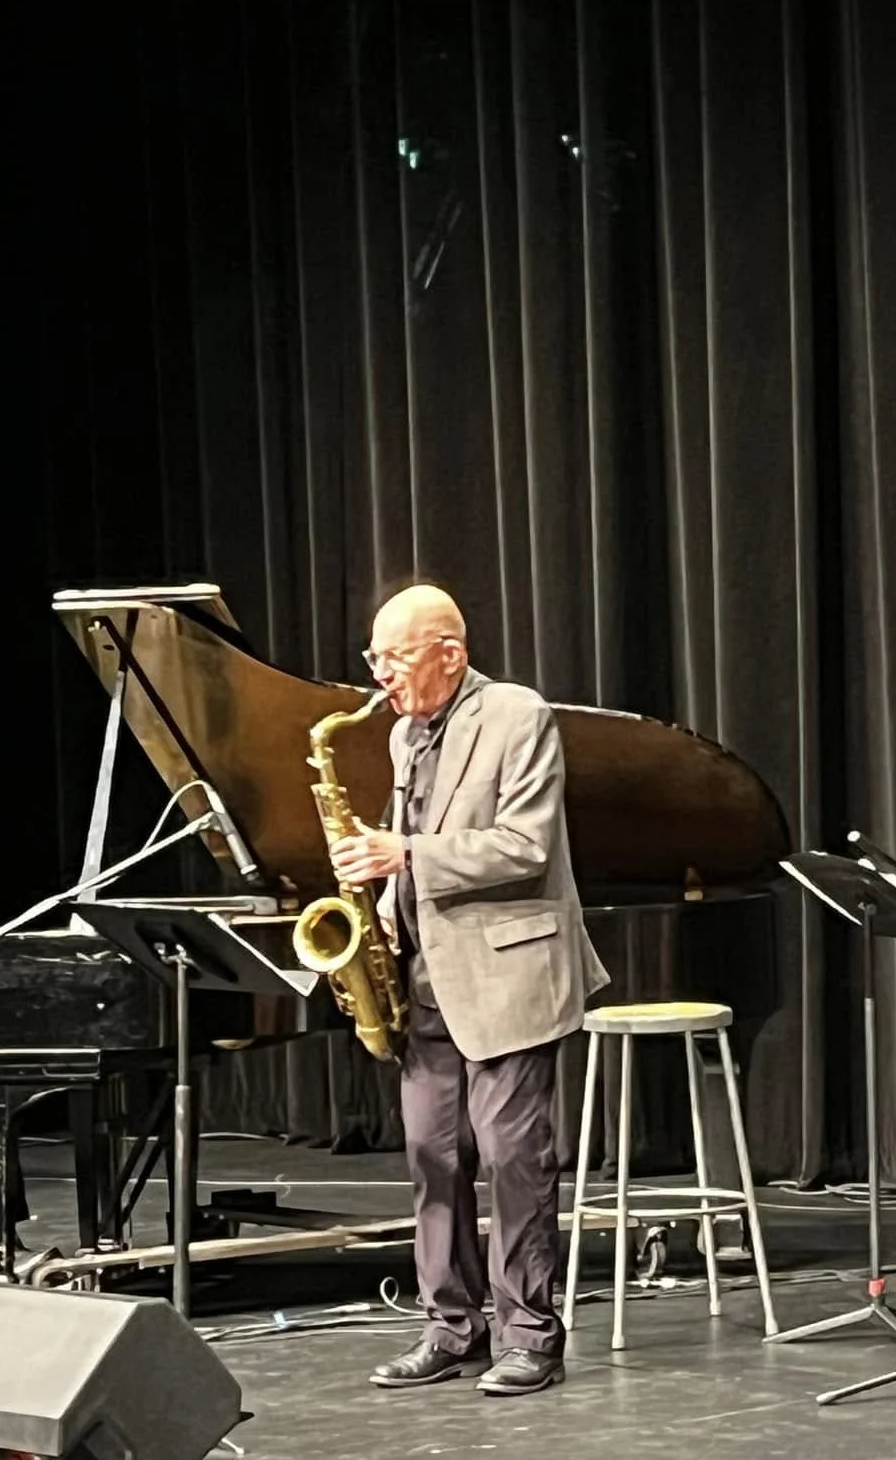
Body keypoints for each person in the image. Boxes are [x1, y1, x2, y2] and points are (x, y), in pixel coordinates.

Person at [330, 585, 609, 1397]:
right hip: (428, 981)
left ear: (450, 654)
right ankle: (451, 1328)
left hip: (509, 976)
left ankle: (530, 1337)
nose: (382, 674)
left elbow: (524, 845)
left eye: (395, 657)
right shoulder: (402, 735)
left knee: (513, 1161)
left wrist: (406, 855)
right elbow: (407, 849)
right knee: (433, 1159)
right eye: (374, 658)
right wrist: (382, 915)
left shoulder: (517, 715)